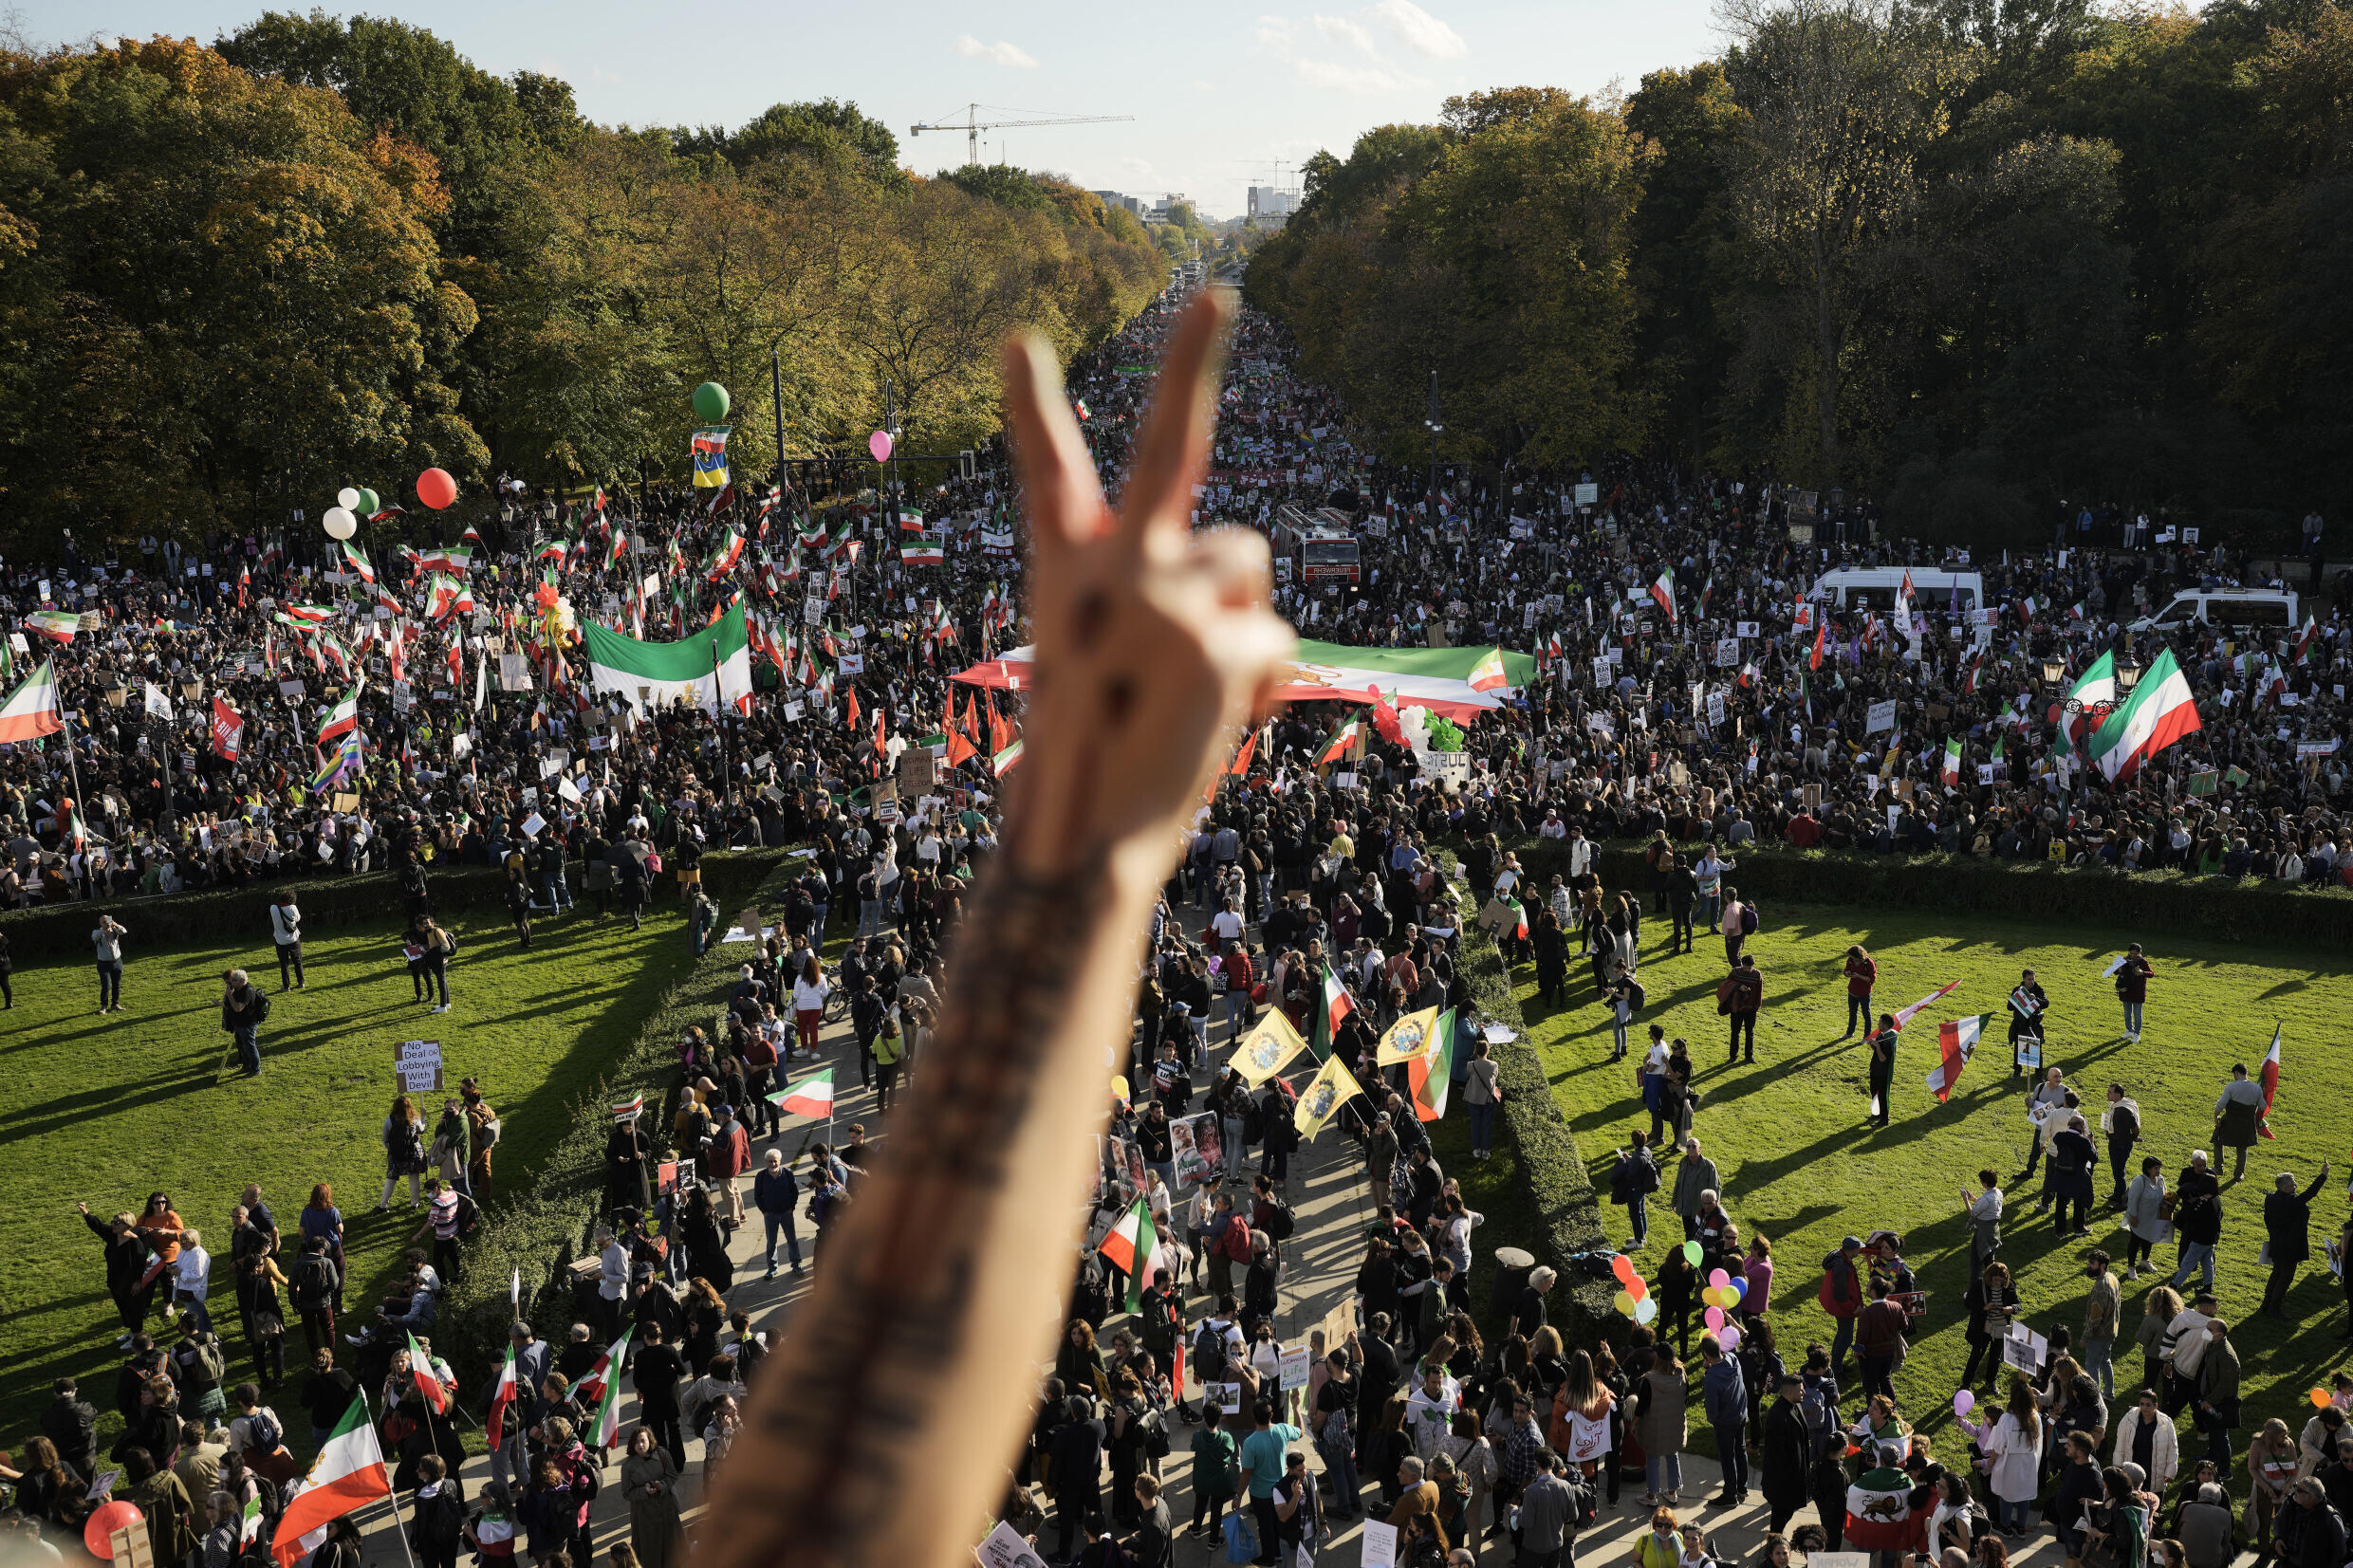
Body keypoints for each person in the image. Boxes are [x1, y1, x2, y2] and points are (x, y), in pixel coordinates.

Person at [2261, 1162, 2333, 1318]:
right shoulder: (2291, 1202)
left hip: (2276, 1243)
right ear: (2286, 1187)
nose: (2296, 1186)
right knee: (2285, 1277)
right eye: (2293, 1184)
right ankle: (2274, 1308)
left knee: (2276, 1273)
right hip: (2290, 1247)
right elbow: (2310, 1193)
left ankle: (2266, 1303)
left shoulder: (2271, 1199)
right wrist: (2323, 1175)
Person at [620, 1425, 684, 1568]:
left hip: (667, 1509)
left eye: (643, 1441)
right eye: (637, 1442)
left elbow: (672, 1474)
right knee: (651, 1552)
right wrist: (644, 1491)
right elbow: (626, 1493)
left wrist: (662, 1485)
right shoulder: (628, 1466)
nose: (641, 1445)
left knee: (672, 1548)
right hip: (645, 1515)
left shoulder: (662, 1454)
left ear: (650, 1440)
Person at [1700, 1334, 1749, 1505]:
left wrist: (1713, 1420)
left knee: (1728, 1458)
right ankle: (1742, 1487)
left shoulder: (1712, 1378)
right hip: (1741, 1414)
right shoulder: (1733, 1359)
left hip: (1725, 1422)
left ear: (1705, 1354)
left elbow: (1712, 1408)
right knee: (1740, 1450)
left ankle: (1730, 1495)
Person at [2214, 1065, 2270, 1183]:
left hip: (2230, 1123)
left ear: (2237, 1073)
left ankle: (2218, 1168)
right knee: (2242, 1148)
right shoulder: (2257, 1089)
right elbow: (2263, 1106)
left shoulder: (2231, 1087)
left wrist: (2216, 1117)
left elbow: (2221, 1105)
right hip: (2247, 1125)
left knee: (2217, 1140)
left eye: (2234, 1074)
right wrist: (2262, 1092)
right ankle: (2239, 1174)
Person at [219, 968, 268, 1078]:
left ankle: (256, 1070)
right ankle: (246, 1066)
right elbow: (231, 1005)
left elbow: (238, 1008)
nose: (232, 982)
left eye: (234, 980)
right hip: (239, 1024)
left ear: (242, 981)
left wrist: (229, 995)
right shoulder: (237, 989)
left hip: (247, 1025)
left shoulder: (248, 992)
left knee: (250, 1047)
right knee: (243, 1047)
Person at [2114, 943, 2153, 1042]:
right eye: (2131, 953)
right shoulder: (2123, 960)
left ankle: (2137, 1034)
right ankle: (2129, 1031)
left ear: (2140, 953)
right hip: (2125, 990)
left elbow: (2151, 974)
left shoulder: (2143, 962)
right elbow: (2114, 972)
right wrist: (2119, 970)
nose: (2133, 955)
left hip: (2138, 992)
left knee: (2137, 1014)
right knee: (2127, 1013)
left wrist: (2142, 973)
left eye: (2136, 953)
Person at [1866, 1013, 1898, 1128]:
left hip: (1883, 1072)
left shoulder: (1889, 1039)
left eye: (1879, 1022)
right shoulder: (1883, 1034)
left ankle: (1884, 1120)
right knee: (1874, 1091)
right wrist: (1873, 1044)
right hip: (1875, 1070)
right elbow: (1876, 1046)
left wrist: (1877, 1047)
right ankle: (1877, 1113)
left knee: (1882, 1096)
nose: (1878, 1024)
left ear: (1884, 1025)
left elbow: (1883, 1058)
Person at [92, 913, 128, 1014]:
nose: (107, 923)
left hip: (117, 962)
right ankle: (103, 1007)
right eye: (104, 922)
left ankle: (115, 1004)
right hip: (103, 964)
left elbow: (124, 931)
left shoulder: (115, 930)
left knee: (117, 984)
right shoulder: (97, 932)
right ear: (100, 923)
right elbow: (94, 938)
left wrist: (115, 925)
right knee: (106, 985)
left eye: (107, 921)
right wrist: (104, 930)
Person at [1840, 945, 1875, 1040]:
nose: (1851, 958)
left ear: (1859, 955)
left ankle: (1867, 1037)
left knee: (1866, 1015)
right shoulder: (1851, 960)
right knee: (1852, 1013)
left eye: (1853, 957)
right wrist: (1847, 973)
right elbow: (1846, 969)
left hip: (1864, 993)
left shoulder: (1869, 963)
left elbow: (1871, 979)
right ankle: (1849, 1033)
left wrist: (1858, 976)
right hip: (1852, 992)